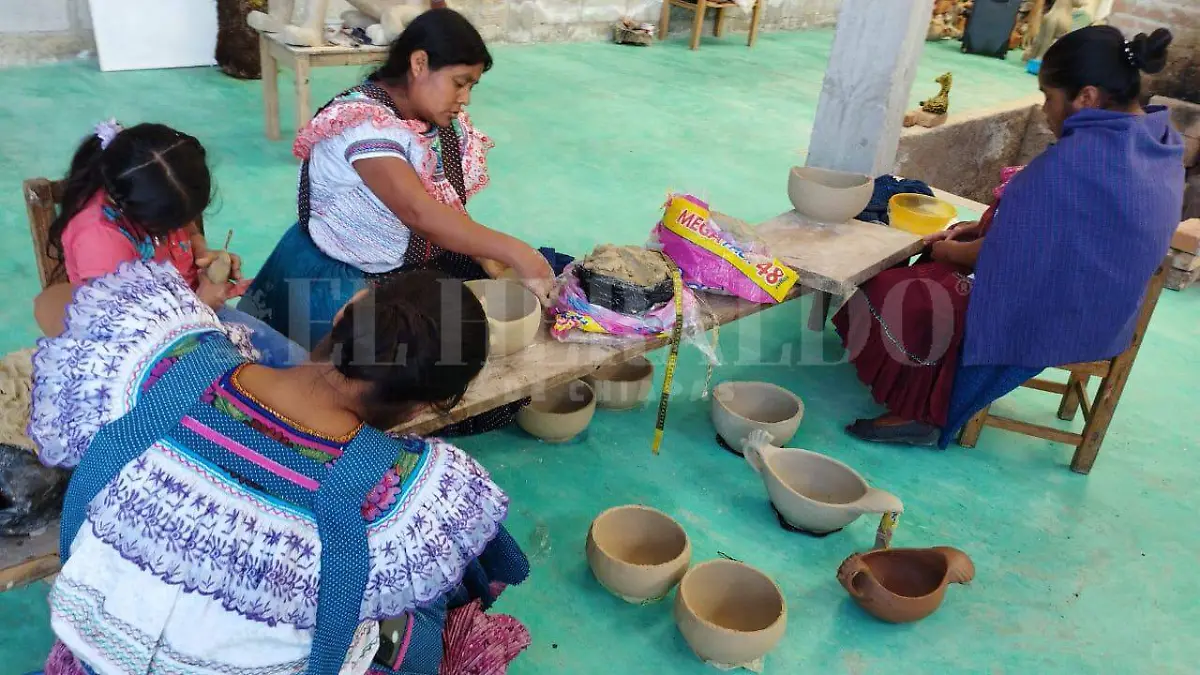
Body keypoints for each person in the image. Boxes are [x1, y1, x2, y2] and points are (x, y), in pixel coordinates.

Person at [30, 261, 531, 675]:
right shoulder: (395, 490)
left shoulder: (165, 366)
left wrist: (197, 311)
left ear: (347, 312)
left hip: (90, 647)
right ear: (427, 406)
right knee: (425, 603)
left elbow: (52, 304)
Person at [833, 26, 1184, 447]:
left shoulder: (1075, 164)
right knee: (937, 268)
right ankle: (929, 390)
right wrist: (979, 229)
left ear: (1086, 97)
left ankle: (925, 413)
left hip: (1065, 313)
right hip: (1111, 305)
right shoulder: (1157, 138)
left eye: (1049, 98)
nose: (1045, 111)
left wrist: (948, 247)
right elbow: (1057, 231)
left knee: (896, 287)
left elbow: (1004, 258)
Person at [240, 8, 555, 354]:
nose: (465, 98)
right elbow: (418, 212)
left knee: (548, 274)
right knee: (393, 371)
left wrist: (487, 255)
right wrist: (516, 251)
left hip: (407, 260)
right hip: (342, 272)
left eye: (471, 86)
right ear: (419, 64)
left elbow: (441, 204)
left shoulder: (433, 121)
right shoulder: (362, 122)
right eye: (459, 83)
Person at [34, 121, 306, 367]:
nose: (183, 227)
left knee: (295, 364)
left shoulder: (154, 192)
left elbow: (187, 231)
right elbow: (134, 338)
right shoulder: (100, 240)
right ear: (142, 214)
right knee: (244, 395)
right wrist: (203, 306)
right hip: (142, 346)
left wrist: (202, 253)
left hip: (192, 310)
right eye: (174, 222)